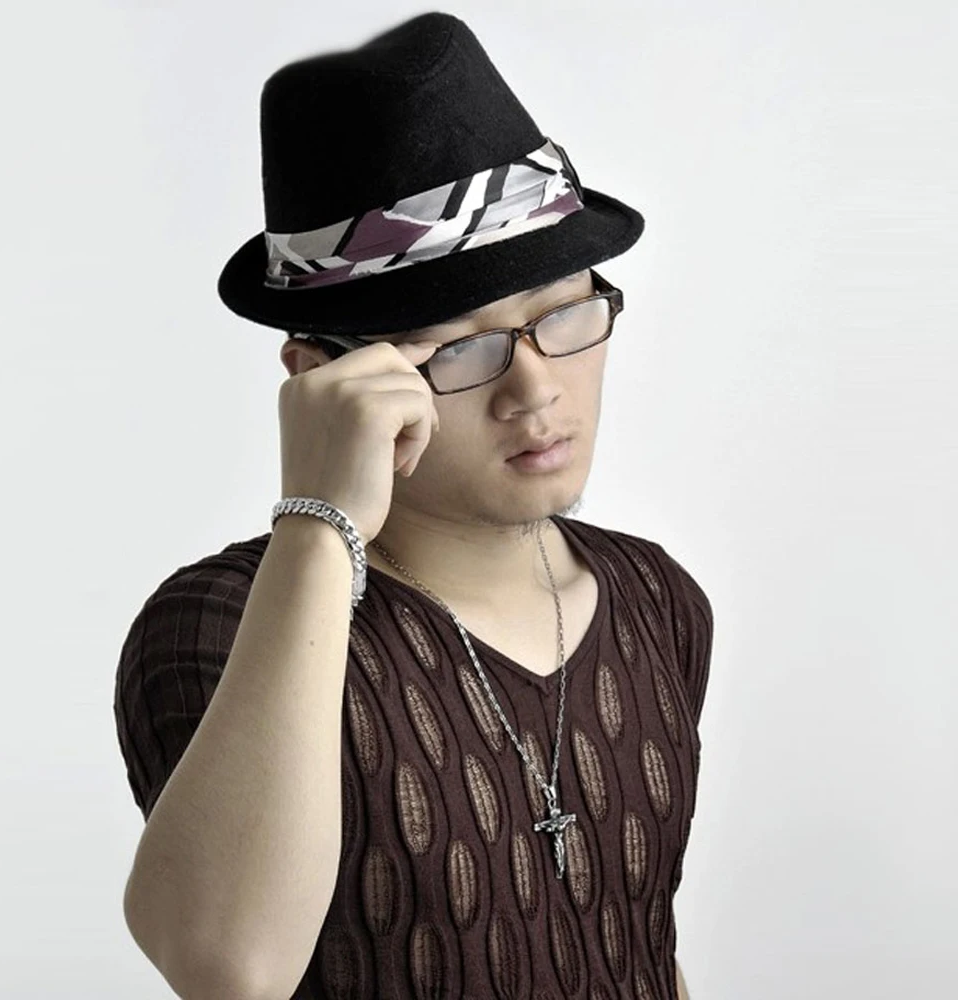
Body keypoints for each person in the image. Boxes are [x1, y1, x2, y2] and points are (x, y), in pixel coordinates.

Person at [114, 11, 712, 1000]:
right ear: (321, 377)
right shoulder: (218, 625)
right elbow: (229, 970)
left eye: (563, 314)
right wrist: (318, 517)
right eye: (460, 348)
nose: (533, 391)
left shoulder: (656, 596)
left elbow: (642, 949)